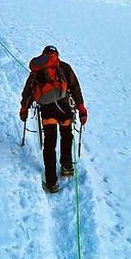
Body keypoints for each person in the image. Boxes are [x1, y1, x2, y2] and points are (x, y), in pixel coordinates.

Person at [19, 45, 88, 193]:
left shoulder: (37, 71)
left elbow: (28, 92)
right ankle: (66, 166)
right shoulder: (64, 67)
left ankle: (51, 182)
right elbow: (75, 88)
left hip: (47, 110)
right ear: (56, 55)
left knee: (50, 143)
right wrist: (81, 109)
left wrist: (24, 109)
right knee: (66, 136)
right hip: (64, 108)